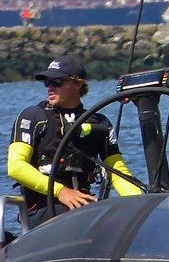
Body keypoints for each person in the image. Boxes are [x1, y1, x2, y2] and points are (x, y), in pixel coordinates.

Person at [7, 56, 142, 228]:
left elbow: (117, 171)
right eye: (47, 83)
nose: (50, 88)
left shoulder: (99, 123)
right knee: (89, 219)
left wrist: (140, 203)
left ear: (78, 84)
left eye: (57, 82)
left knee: (124, 219)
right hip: (42, 209)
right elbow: (16, 167)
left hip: (83, 206)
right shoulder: (33, 117)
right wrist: (61, 191)